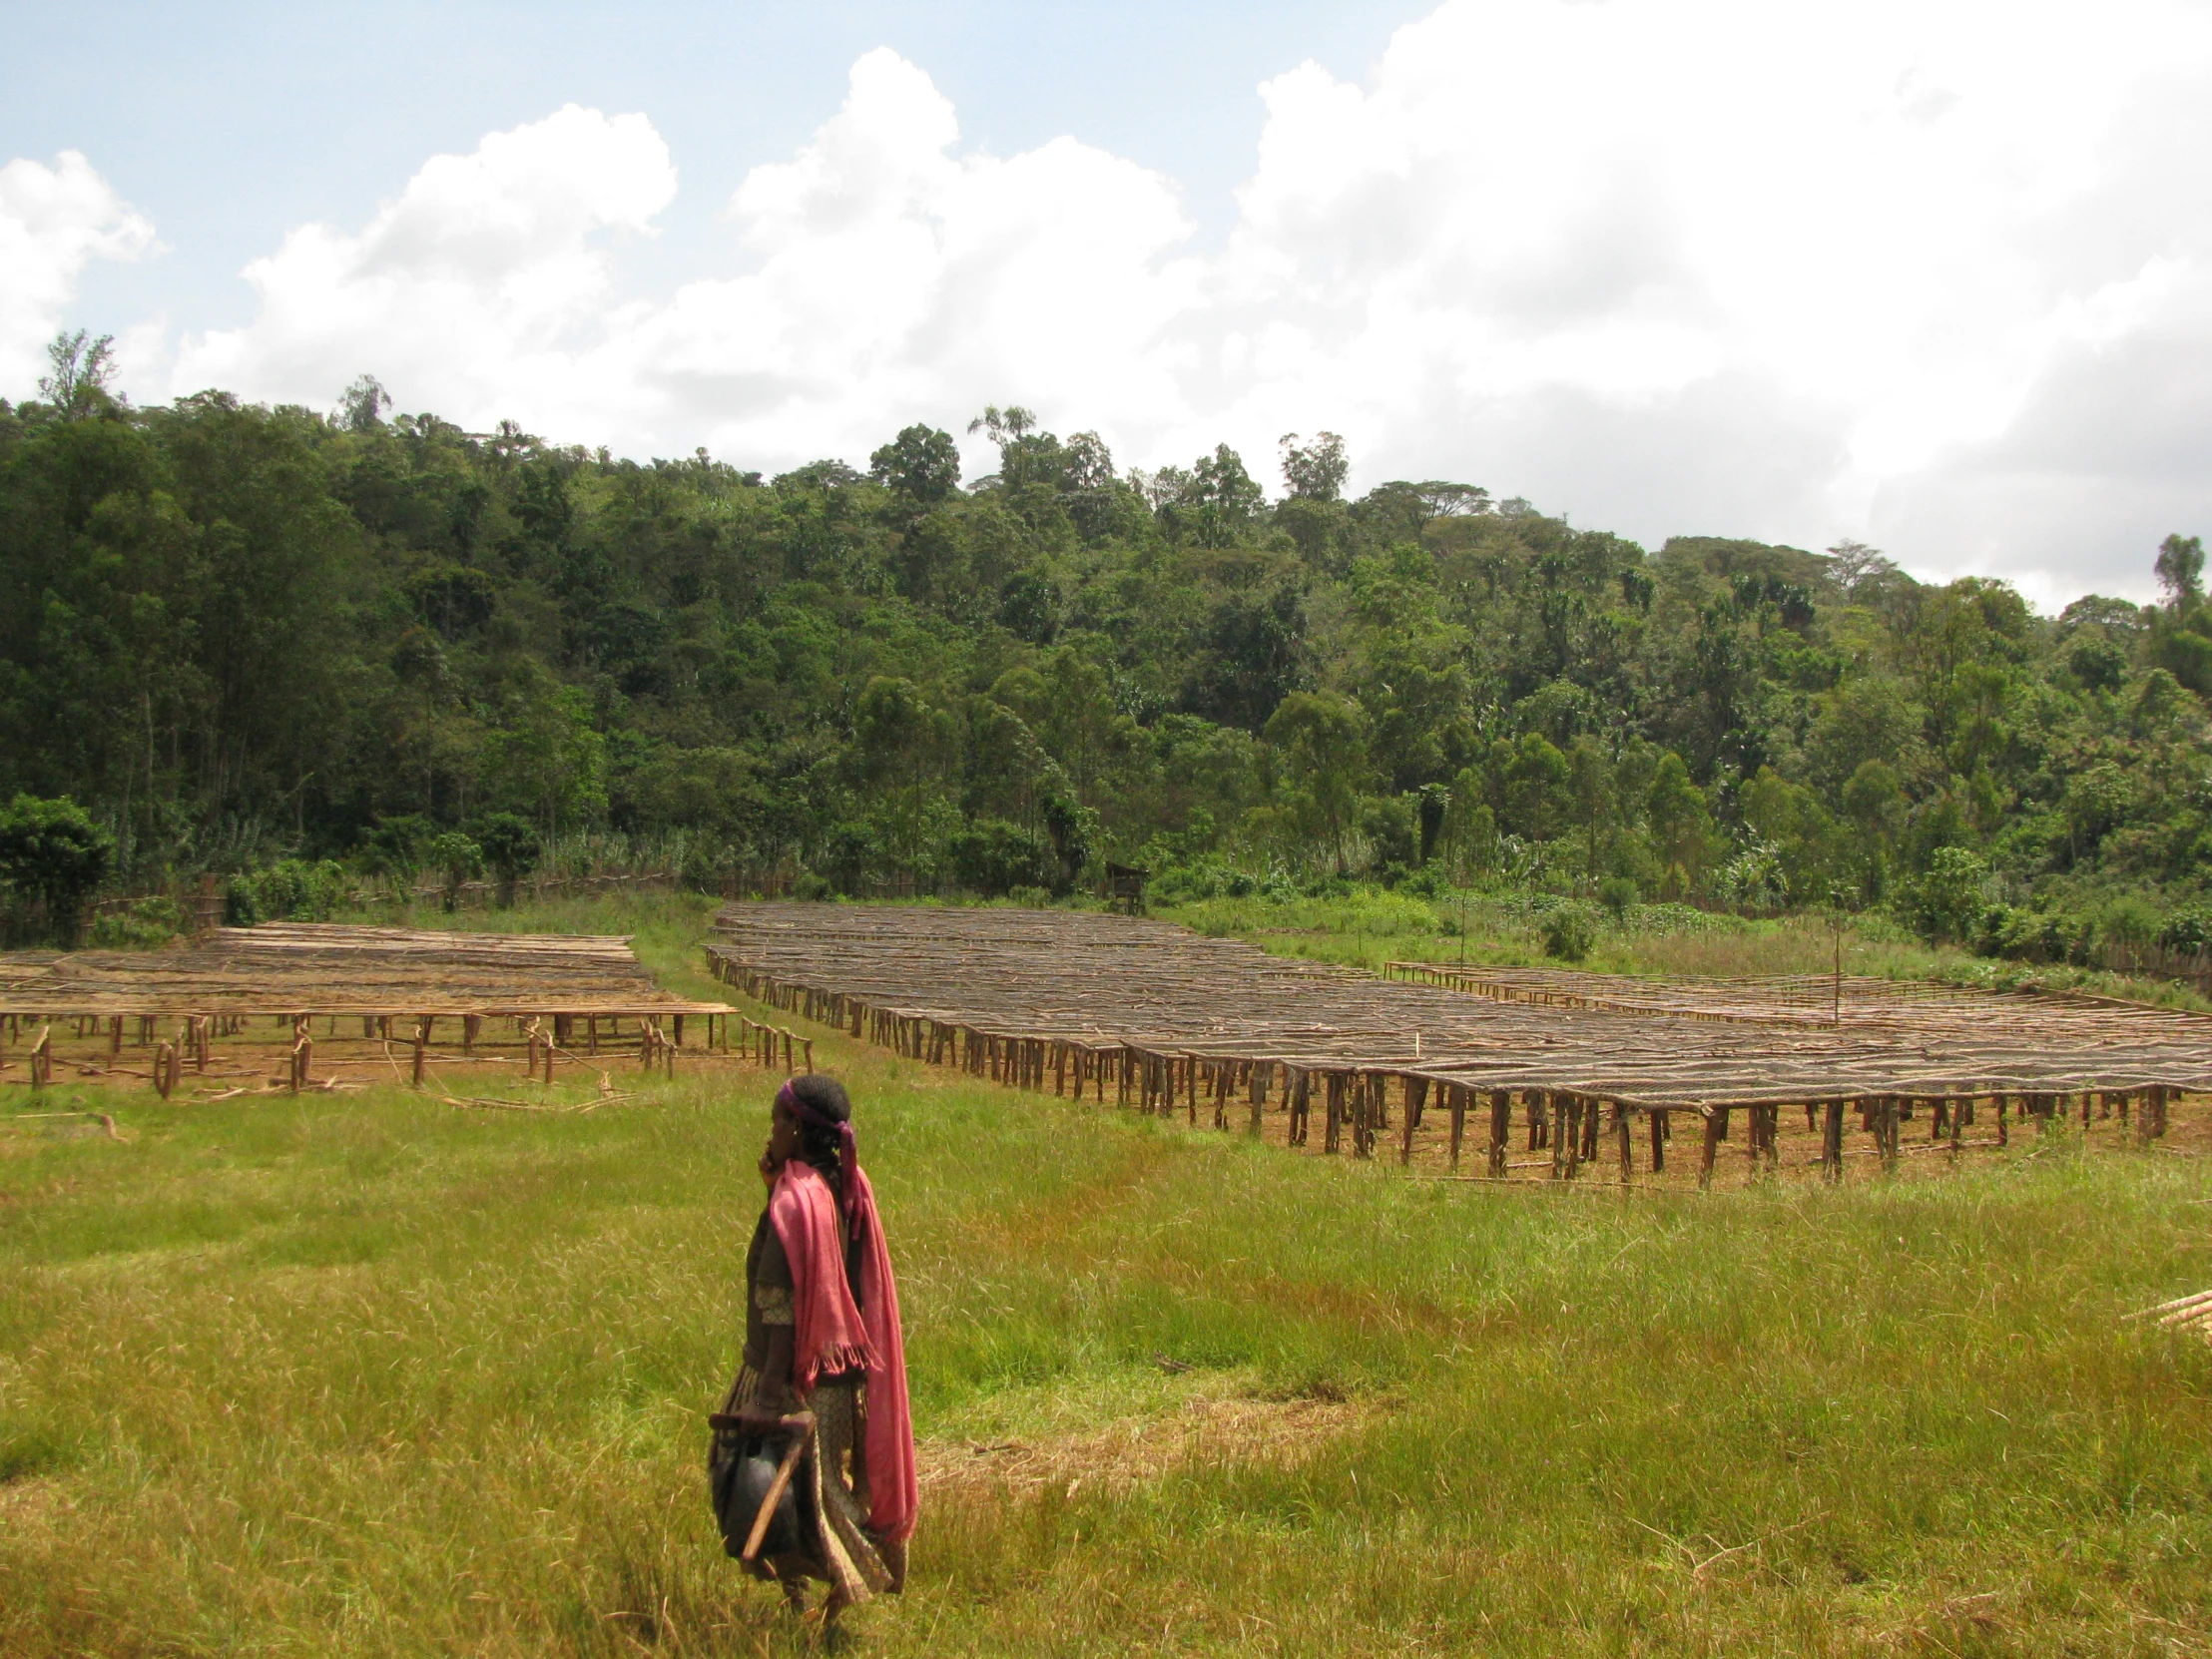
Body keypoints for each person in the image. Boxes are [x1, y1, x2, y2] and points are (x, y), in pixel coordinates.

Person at [711, 1074, 915, 1617]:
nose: (770, 1129)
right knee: (823, 1491)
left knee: (800, 1496)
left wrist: (770, 1393)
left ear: (797, 1127)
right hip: (840, 1380)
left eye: (777, 1119)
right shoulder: (843, 1185)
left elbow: (781, 1301)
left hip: (792, 1376)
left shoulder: (795, 1200)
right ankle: (820, 1595)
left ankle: (855, 1581)